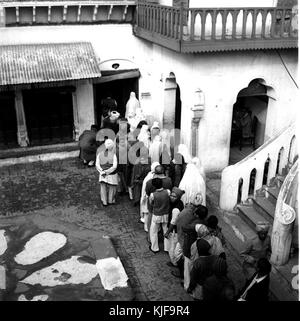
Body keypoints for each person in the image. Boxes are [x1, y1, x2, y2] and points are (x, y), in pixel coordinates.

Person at [146, 165, 173, 239]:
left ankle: (151, 240)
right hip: (165, 206)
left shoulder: (149, 182)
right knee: (165, 226)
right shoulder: (169, 180)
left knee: (152, 226)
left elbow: (147, 193)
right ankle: (166, 246)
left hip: (154, 207)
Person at [148, 178, 171, 254]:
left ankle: (155, 248)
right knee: (166, 230)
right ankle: (167, 248)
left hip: (157, 214)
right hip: (166, 214)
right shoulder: (168, 192)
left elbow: (151, 203)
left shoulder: (153, 195)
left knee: (153, 231)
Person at [164, 187, 185, 268]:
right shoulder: (180, 203)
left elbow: (173, 222)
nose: (172, 198)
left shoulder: (176, 208)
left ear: (178, 197)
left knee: (172, 247)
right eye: (171, 196)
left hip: (174, 231)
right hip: (176, 230)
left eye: (174, 196)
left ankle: (174, 263)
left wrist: (167, 232)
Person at [96, 139, 118, 206]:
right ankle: (110, 200)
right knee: (112, 187)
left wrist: (102, 171)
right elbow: (114, 166)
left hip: (103, 174)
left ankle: (104, 202)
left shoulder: (100, 154)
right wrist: (107, 172)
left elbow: (97, 164)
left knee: (103, 187)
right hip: (111, 174)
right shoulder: (114, 155)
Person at [140, 161, 160, 230]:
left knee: (147, 214)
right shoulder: (155, 177)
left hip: (148, 199)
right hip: (152, 199)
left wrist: (143, 199)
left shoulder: (148, 177)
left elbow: (144, 191)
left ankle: (147, 228)